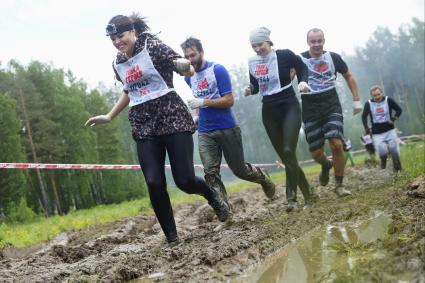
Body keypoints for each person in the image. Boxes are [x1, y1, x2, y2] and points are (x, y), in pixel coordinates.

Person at [84, 14, 230, 246]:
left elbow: (184, 67)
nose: (117, 41)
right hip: (143, 122)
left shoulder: (152, 46)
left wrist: (187, 69)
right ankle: (172, 239)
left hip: (171, 114)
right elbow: (128, 89)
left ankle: (213, 196)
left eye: (120, 36)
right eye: (112, 38)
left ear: (132, 32)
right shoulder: (118, 62)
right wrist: (110, 115)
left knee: (184, 180)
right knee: (153, 181)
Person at [180, 37, 276, 204]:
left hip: (226, 127)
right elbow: (199, 97)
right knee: (210, 173)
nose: (190, 60)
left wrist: (203, 103)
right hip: (205, 131)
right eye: (186, 57)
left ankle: (262, 177)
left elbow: (229, 100)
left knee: (240, 171)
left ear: (201, 52)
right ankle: (224, 211)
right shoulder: (188, 77)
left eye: (193, 55)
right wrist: (197, 114)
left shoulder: (217, 70)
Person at [245, 27, 318, 211]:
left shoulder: (284, 55)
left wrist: (303, 81)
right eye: (254, 46)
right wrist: (250, 89)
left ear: (268, 41)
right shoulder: (252, 62)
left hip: (289, 105)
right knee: (287, 157)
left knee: (288, 149)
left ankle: (291, 199)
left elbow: (302, 66)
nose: (257, 49)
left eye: (260, 44)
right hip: (269, 110)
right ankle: (309, 194)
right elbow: (255, 84)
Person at [299, 28, 362, 197]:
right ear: (308, 42)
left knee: (336, 144)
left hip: (331, 104)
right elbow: (287, 76)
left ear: (324, 40)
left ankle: (339, 185)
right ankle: (326, 165)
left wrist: (356, 100)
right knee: (316, 152)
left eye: (320, 40)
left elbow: (349, 76)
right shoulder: (300, 59)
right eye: (313, 41)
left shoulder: (333, 57)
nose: (317, 44)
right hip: (310, 108)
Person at [361, 85, 402, 172]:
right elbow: (364, 116)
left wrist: (393, 118)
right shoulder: (368, 103)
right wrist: (366, 128)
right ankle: (383, 165)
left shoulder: (388, 100)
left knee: (394, 150)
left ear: (382, 93)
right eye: (374, 95)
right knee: (382, 151)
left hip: (390, 130)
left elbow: (399, 110)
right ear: (372, 95)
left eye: (378, 94)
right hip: (377, 133)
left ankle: (398, 170)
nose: (377, 97)